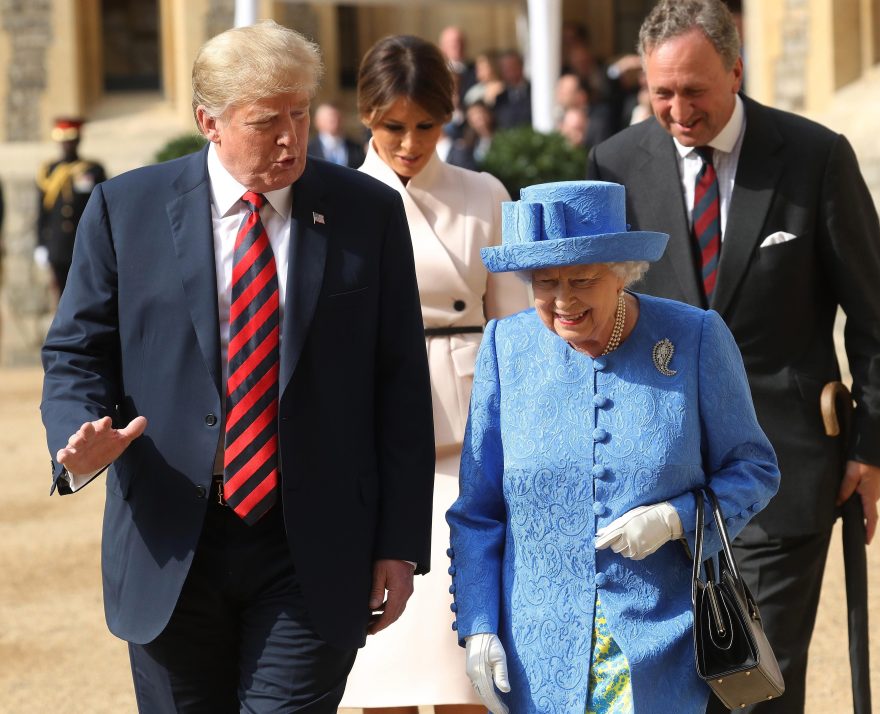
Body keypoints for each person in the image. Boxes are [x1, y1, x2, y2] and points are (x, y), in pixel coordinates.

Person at [40, 20, 434, 713]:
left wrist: (399, 545)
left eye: (299, 115)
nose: (289, 138)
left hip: (311, 544)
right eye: (265, 122)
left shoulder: (365, 212)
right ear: (209, 122)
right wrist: (80, 437)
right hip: (170, 541)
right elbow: (76, 350)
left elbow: (398, 382)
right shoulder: (124, 210)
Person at [586, 1, 880, 712]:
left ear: (736, 69)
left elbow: (873, 321)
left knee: (751, 685)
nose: (676, 109)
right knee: (669, 687)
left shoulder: (816, 159)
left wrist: (871, 450)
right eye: (660, 91)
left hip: (782, 474)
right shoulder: (614, 163)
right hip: (653, 478)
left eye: (693, 90)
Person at [446, 180, 780, 713]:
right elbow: (478, 511)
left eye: (582, 279)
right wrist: (479, 625)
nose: (563, 300)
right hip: (537, 648)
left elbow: (754, 468)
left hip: (660, 642)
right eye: (545, 282)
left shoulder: (694, 338)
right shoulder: (504, 348)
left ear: (622, 273)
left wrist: (675, 518)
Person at [339, 34, 529, 714]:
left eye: (427, 125)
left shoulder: (485, 195)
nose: (410, 142)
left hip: (470, 445)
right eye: (393, 126)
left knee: (466, 668)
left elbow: (518, 333)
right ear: (365, 115)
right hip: (369, 448)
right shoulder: (334, 198)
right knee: (382, 672)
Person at [35, 117, 107, 303]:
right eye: (63, 140)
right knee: (60, 296)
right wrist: (41, 243)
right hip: (57, 243)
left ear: (78, 140)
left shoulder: (93, 170)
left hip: (83, 241)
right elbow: (43, 211)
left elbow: (101, 208)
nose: (67, 144)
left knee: (85, 294)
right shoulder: (48, 170)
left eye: (71, 139)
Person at [306, 101, 365, 168]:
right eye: (330, 119)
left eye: (338, 117)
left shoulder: (357, 148)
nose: (335, 121)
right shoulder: (308, 151)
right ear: (317, 122)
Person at [492, 49, 532, 131]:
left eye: (511, 66)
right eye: (504, 68)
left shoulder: (535, 92)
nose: (508, 71)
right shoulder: (500, 99)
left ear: (521, 66)